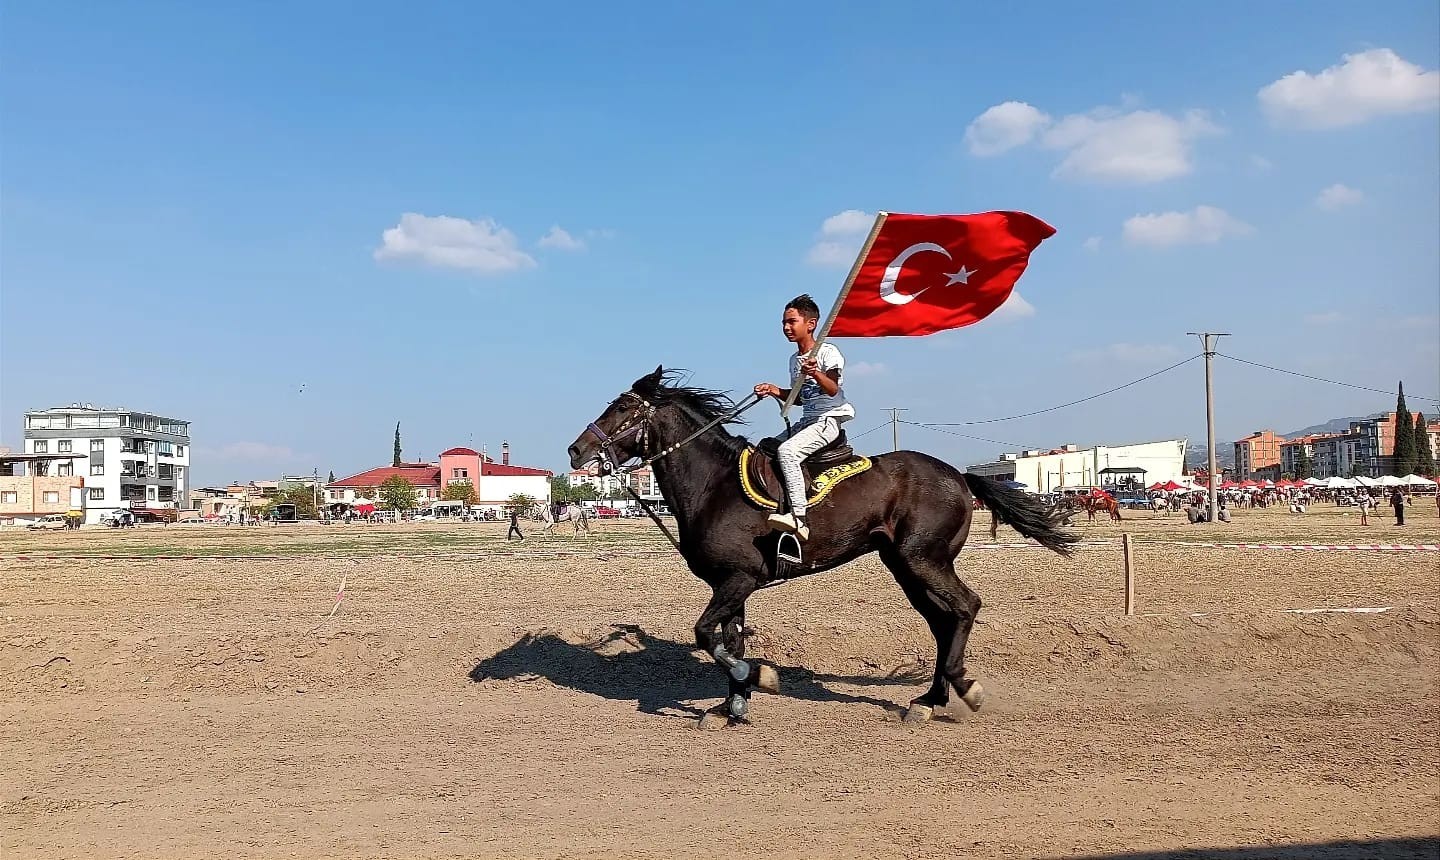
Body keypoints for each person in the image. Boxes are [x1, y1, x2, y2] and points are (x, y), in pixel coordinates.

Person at [753, 294, 854, 541]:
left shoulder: (828, 352)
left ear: (811, 324)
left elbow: (832, 388)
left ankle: (799, 519)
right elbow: (799, 398)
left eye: (792, 321)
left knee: (788, 452)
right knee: (763, 448)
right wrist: (774, 390)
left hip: (827, 420)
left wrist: (816, 373)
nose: (786, 327)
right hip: (806, 421)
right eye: (784, 323)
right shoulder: (793, 359)